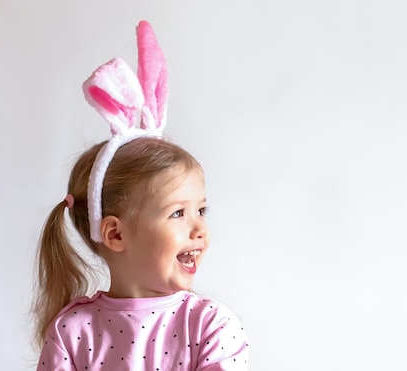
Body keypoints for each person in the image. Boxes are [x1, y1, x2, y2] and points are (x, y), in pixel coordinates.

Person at [32, 20, 249, 370]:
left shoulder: (210, 327)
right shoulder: (71, 334)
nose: (200, 230)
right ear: (116, 233)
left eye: (201, 211)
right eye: (178, 213)